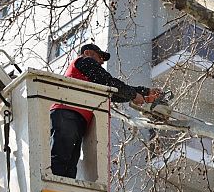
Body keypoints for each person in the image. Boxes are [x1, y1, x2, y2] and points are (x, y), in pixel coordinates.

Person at [50, 43, 160, 178]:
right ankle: (54, 189)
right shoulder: (85, 61)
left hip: (74, 116)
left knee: (70, 162)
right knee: (62, 157)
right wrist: (133, 95)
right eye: (100, 56)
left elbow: (111, 93)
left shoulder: (90, 76)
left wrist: (143, 92)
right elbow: (109, 83)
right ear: (88, 53)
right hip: (67, 113)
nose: (102, 61)